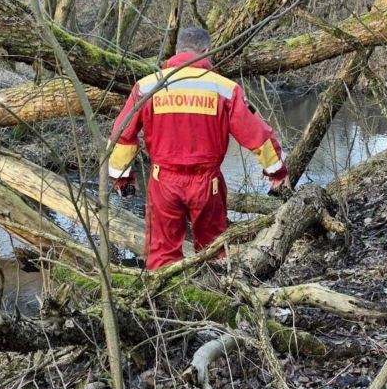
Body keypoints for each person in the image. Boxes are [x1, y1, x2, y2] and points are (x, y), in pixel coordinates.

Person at [107, 27, 289, 270]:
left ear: (177, 51)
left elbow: (122, 134)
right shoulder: (224, 88)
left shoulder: (148, 86)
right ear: (207, 51)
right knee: (213, 251)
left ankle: (164, 304)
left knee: (162, 254)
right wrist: (276, 172)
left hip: (163, 181)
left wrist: (122, 178)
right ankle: (213, 298)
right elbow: (257, 134)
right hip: (207, 184)